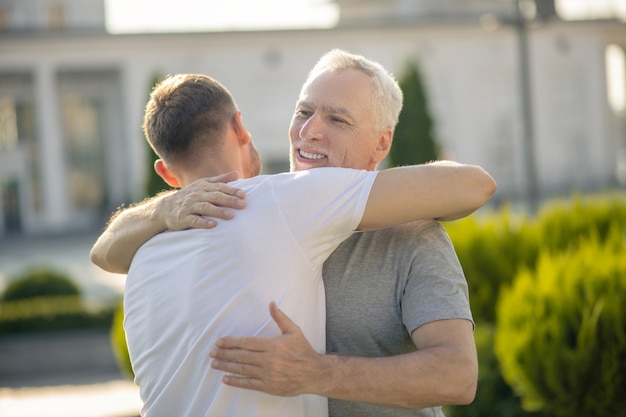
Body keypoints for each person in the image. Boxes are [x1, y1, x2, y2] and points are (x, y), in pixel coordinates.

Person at [91, 50, 496, 416]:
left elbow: (457, 377)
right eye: (303, 112)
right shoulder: (261, 207)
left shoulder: (411, 237)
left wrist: (316, 373)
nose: (309, 131)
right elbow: (105, 252)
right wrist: (162, 208)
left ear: (381, 144)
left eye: (337, 119)